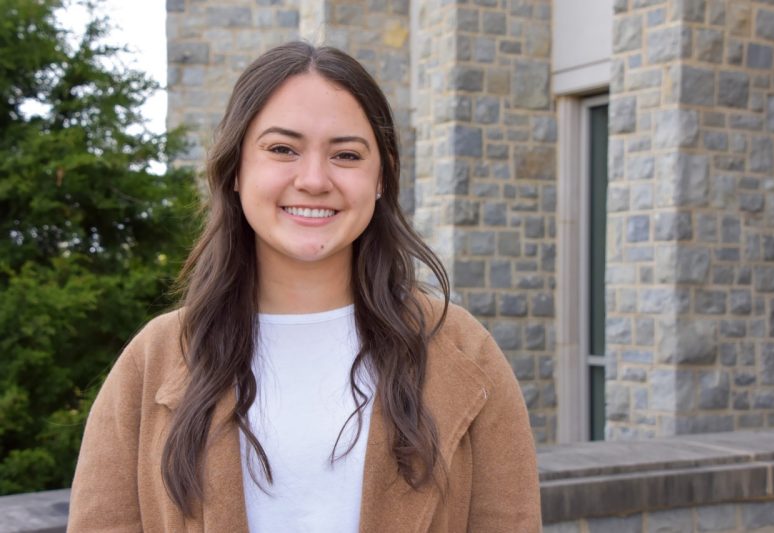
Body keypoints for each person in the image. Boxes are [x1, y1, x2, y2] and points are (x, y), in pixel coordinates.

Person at [68, 41, 541, 532]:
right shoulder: (152, 362)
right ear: (235, 170)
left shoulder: (466, 353)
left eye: (346, 154)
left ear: (383, 177)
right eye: (282, 149)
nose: (314, 179)